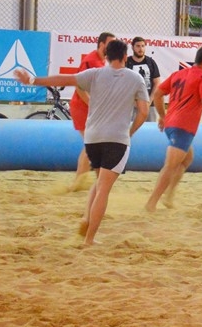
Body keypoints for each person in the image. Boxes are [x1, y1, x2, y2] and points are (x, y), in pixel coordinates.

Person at [14, 39, 149, 245]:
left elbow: (64, 79)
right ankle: (89, 239)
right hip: (117, 139)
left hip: (92, 139)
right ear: (125, 57)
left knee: (99, 181)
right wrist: (130, 132)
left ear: (106, 56)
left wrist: (32, 80)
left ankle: (87, 217)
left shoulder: (94, 74)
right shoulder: (135, 78)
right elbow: (144, 112)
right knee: (104, 189)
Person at [144, 47, 202, 212]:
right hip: (183, 127)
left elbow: (158, 94)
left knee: (187, 159)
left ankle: (169, 196)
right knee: (170, 166)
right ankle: (151, 203)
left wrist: (162, 116)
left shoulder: (179, 74)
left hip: (171, 124)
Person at [68, 32, 115, 192]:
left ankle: (81, 181)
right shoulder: (91, 61)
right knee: (92, 144)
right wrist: (93, 104)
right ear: (101, 44)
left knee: (92, 144)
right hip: (82, 108)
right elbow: (79, 86)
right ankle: (80, 182)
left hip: (87, 107)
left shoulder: (101, 61)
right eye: (110, 43)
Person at [126, 37, 161, 121]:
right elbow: (123, 84)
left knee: (151, 127)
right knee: (130, 127)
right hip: (131, 105)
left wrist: (150, 100)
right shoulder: (126, 62)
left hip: (150, 104)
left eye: (142, 46)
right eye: (138, 46)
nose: (140, 49)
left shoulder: (151, 62)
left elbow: (157, 82)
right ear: (132, 47)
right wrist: (132, 101)